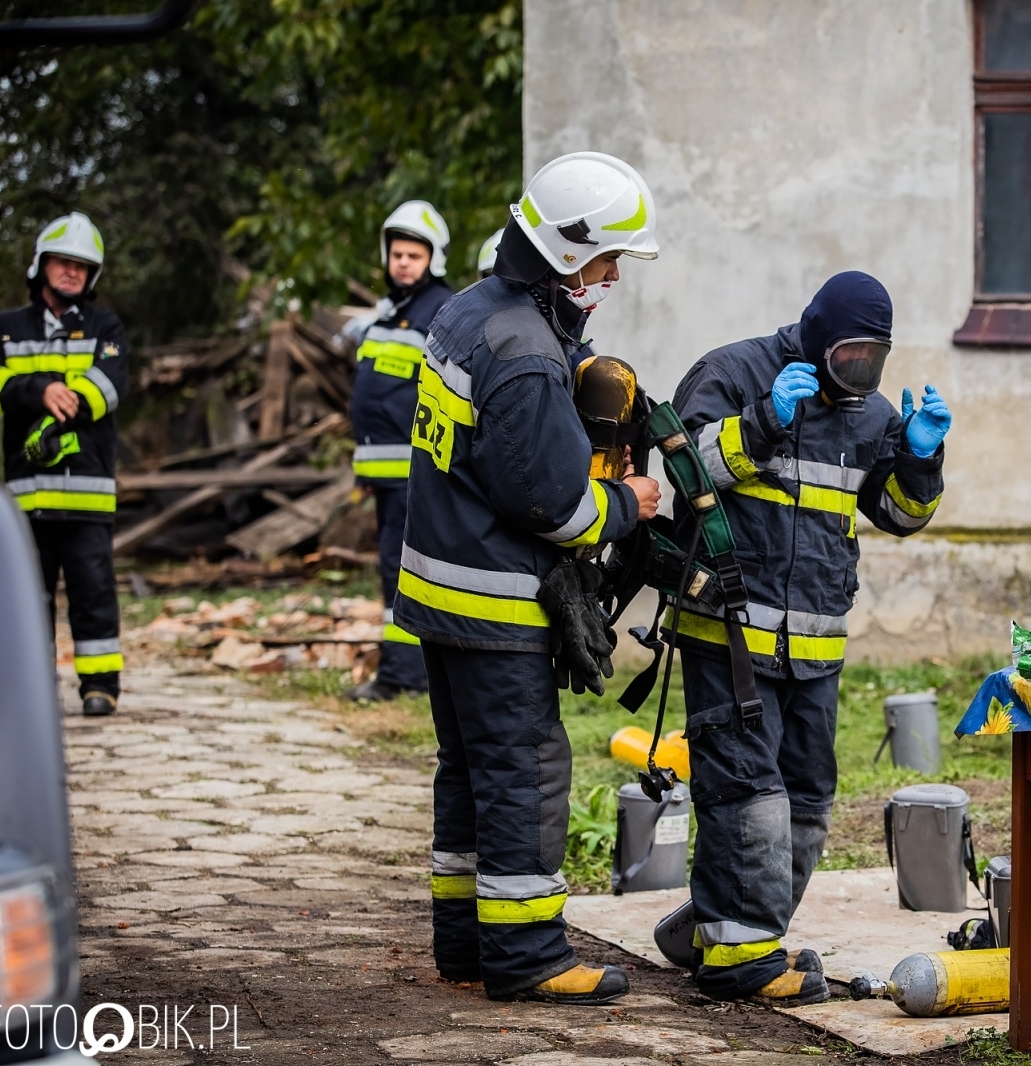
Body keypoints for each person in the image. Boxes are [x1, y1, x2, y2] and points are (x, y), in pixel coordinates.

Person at [392, 152, 663, 1004]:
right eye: (606, 261)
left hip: (439, 597)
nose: (613, 276)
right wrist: (629, 500)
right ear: (564, 250)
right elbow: (556, 506)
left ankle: (465, 944)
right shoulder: (526, 354)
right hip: (495, 603)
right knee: (524, 771)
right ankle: (526, 955)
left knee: (468, 773)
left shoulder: (471, 313)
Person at [667, 271, 952, 1004]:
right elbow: (685, 468)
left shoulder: (871, 414)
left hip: (816, 648)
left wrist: (920, 456)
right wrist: (760, 421)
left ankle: (715, 931)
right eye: (849, 354)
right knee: (746, 795)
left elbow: (898, 512)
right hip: (730, 636)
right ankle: (745, 961)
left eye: (874, 359)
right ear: (819, 336)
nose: (859, 372)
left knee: (805, 802)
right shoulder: (732, 373)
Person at [0, 212, 131, 717]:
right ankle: (31, 693)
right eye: (63, 262)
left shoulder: (105, 326)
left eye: (82, 267)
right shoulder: (4, 328)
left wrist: (71, 399)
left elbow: (110, 385)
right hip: (28, 493)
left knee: (93, 592)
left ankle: (100, 687)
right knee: (29, 599)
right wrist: (37, 390)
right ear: (41, 265)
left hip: (87, 492)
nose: (71, 273)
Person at [346, 201, 454, 701]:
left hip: (416, 470)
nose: (404, 262)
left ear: (434, 259)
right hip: (385, 472)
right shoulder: (392, 313)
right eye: (397, 253)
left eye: (414, 254)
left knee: (404, 569)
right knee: (393, 569)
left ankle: (404, 677)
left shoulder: (439, 311)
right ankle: (406, 673)